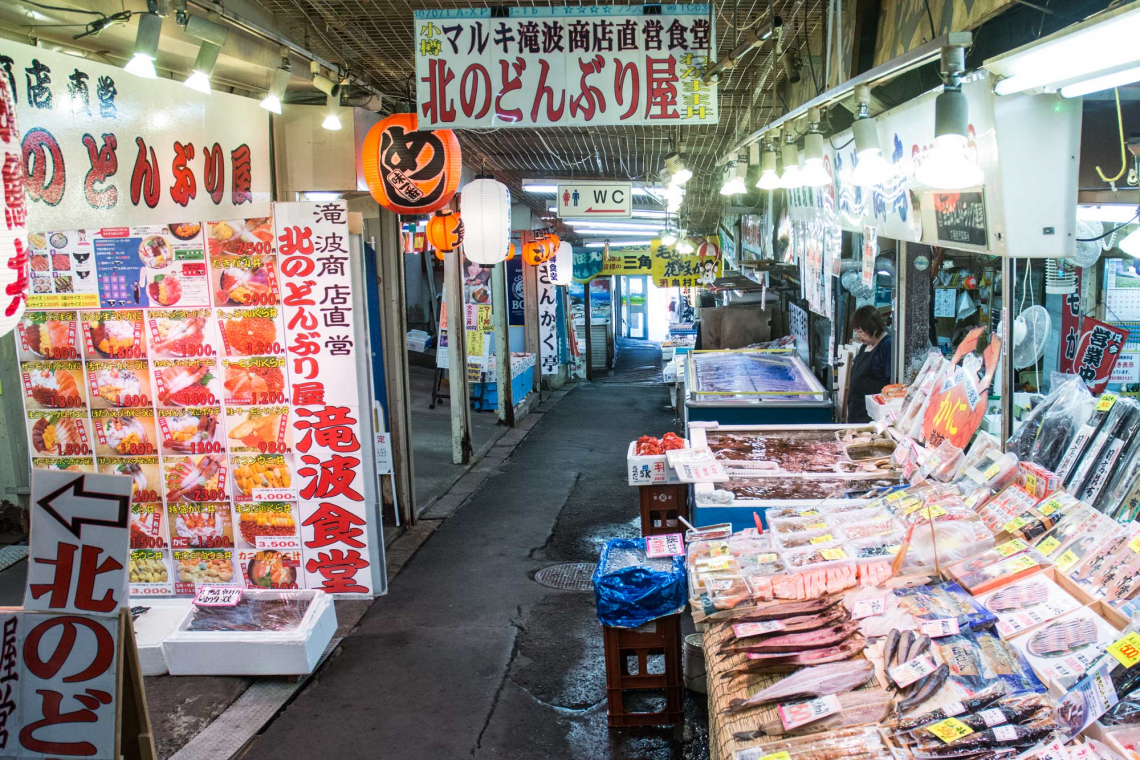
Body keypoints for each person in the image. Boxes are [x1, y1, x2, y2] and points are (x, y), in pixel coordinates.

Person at [847, 305, 892, 423]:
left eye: (860, 331)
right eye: (856, 331)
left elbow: (891, 384)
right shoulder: (866, 345)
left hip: (872, 417)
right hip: (856, 412)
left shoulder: (887, 346)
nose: (857, 336)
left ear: (874, 328)